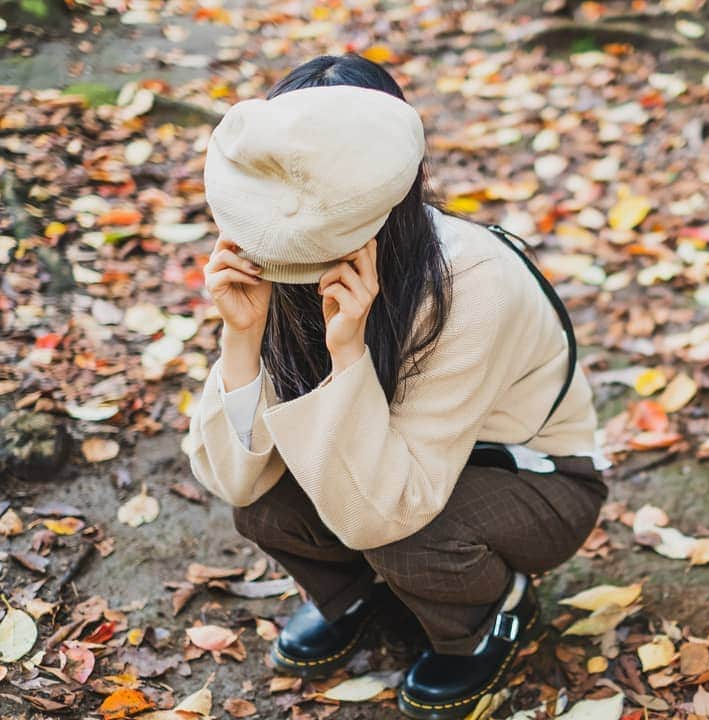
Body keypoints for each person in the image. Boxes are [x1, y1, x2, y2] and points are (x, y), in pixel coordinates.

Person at [183, 54, 607, 719]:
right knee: (265, 498)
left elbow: (389, 510)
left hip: (534, 476)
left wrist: (346, 348)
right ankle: (357, 595)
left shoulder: (471, 281)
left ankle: (489, 617)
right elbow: (236, 479)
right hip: (398, 460)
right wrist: (241, 336)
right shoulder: (280, 245)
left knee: (405, 539)